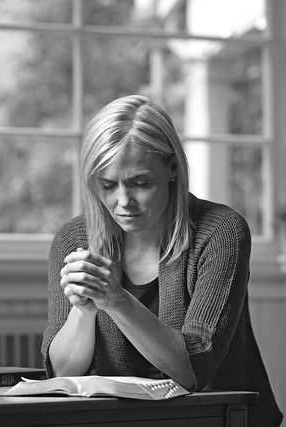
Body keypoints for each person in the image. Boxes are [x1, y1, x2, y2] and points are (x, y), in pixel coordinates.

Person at [42, 94, 283, 426]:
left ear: (172, 168)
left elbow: (193, 370)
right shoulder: (74, 240)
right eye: (108, 185)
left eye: (140, 183)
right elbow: (62, 372)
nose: (123, 201)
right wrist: (84, 311)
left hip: (220, 419)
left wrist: (115, 299)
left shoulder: (220, 231)